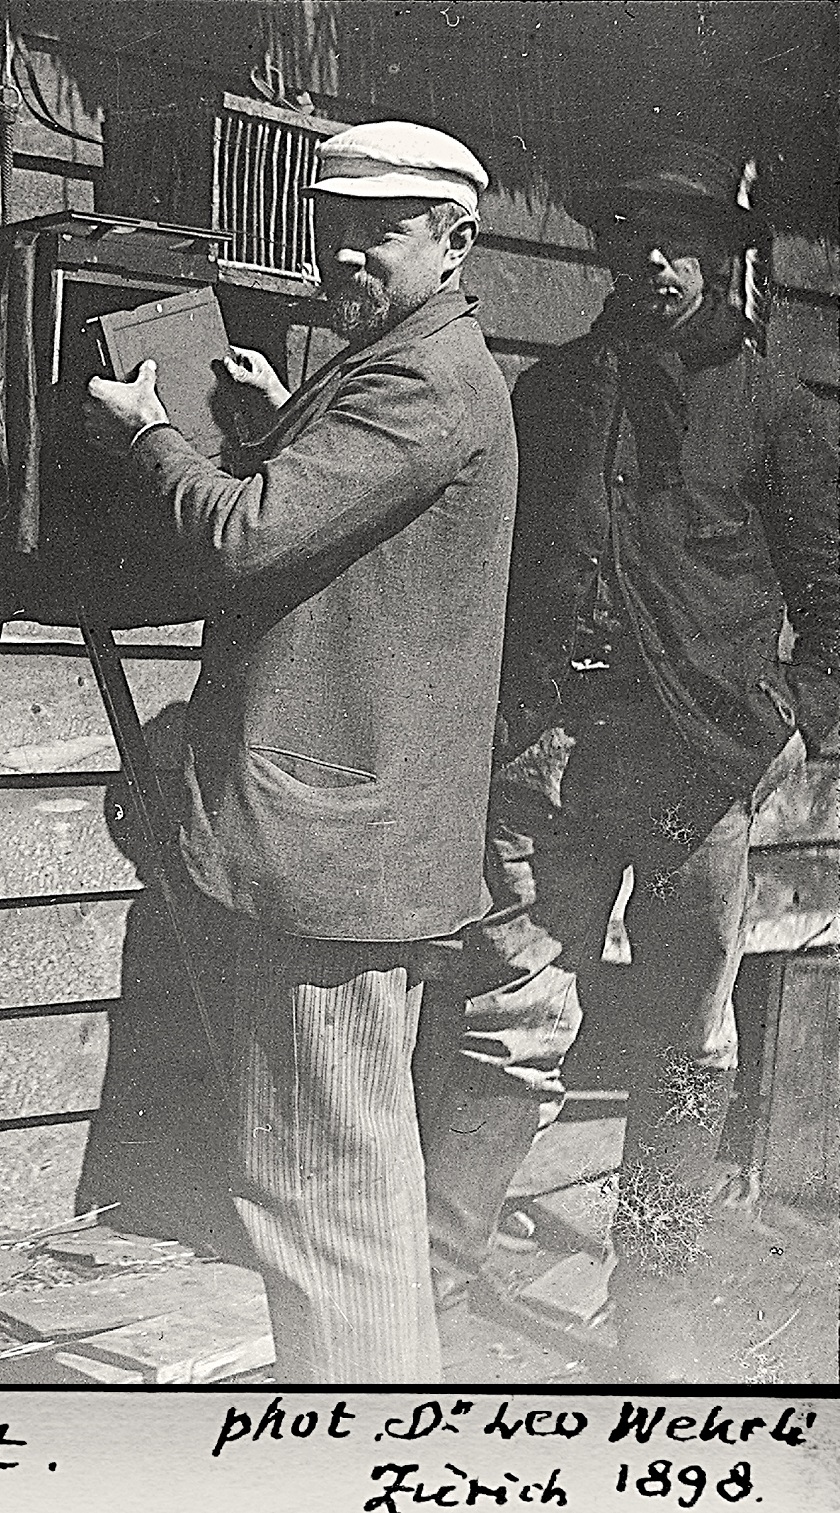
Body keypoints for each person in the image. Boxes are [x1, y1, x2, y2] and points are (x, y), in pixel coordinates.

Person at [81, 121, 515, 1381]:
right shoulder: (399, 360)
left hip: (332, 847)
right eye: (333, 223)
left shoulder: (424, 377)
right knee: (336, 1189)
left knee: (322, 1202)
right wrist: (283, 425)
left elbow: (244, 541)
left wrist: (151, 437)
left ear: (453, 237)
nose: (344, 249)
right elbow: (340, 521)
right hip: (342, 836)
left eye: (379, 228)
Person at [416, 140, 840, 1381]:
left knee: (681, 1036)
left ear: (720, 260)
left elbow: (830, 601)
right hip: (548, 753)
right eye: (633, 239)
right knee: (508, 1020)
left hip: (692, 768)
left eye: (681, 243)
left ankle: (650, 1297)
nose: (654, 262)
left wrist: (780, 730)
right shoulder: (553, 392)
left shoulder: (774, 411)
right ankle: (438, 1291)